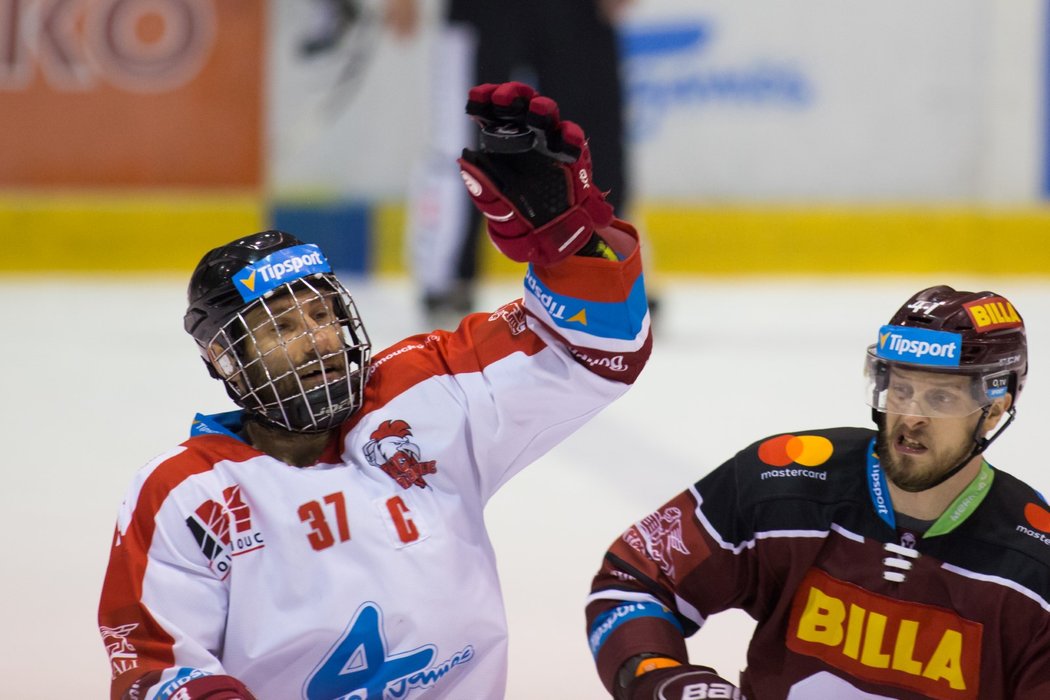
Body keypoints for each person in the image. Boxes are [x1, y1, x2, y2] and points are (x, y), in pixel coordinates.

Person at [98, 82, 651, 700]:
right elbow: (158, 671)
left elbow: (598, 350)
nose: (316, 341)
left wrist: (567, 244)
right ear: (224, 356)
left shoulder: (424, 392)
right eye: (282, 327)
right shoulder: (185, 493)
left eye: (322, 315)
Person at [586, 286, 1050, 699]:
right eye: (901, 390)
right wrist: (659, 677)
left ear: (994, 410)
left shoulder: (1035, 568)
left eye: (941, 398)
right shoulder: (785, 482)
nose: (910, 417)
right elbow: (635, 580)